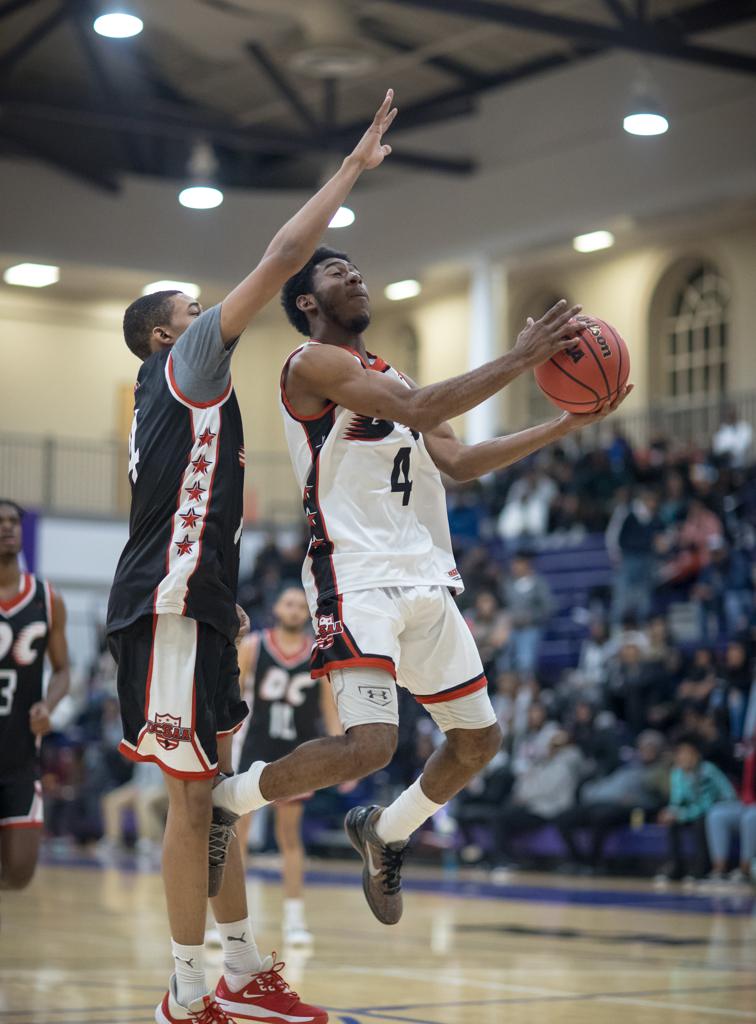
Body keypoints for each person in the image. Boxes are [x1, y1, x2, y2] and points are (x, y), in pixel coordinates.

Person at [210, 247, 631, 929]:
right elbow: (414, 405)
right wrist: (521, 358)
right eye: (335, 271)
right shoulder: (308, 365)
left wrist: (564, 424)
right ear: (308, 304)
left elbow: (459, 461)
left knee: (478, 743)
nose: (354, 274)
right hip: (357, 574)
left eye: (356, 267)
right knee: (370, 745)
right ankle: (229, 801)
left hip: (426, 574)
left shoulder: (395, 375)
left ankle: (388, 831)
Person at [105, 92, 399, 1024]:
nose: (211, 313)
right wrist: (348, 172)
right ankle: (188, 992)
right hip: (167, 610)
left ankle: (242, 968)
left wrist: (219, 593)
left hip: (196, 604)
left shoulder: (177, 402)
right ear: (168, 334)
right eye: (194, 310)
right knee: (194, 806)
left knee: (217, 804)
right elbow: (278, 260)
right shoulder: (185, 363)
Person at [234, 586, 342, 947]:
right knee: (239, 837)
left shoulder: (317, 653)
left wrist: (345, 758)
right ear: (277, 607)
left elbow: (329, 712)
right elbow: (230, 696)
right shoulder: (253, 646)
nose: (295, 609)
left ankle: (295, 918)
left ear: (308, 612)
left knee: (289, 838)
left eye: (300, 605)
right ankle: (231, 921)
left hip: (297, 755)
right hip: (254, 749)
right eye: (288, 603)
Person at [0, 499, 70, 889]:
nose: (8, 527)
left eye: (13, 521)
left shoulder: (47, 598)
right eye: (0, 522)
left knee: (20, 872)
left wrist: (50, 703)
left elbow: (63, 671)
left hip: (20, 755)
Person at [556, 730, 668, 871]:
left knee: (601, 817)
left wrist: (637, 801)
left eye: (650, 748)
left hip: (630, 809)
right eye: (643, 747)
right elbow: (605, 786)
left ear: (658, 750)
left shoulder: (660, 771)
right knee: (563, 818)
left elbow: (660, 798)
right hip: (600, 803)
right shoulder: (628, 768)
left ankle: (594, 863)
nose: (646, 751)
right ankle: (577, 860)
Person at [656, 734, 736, 883]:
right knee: (672, 824)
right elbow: (676, 800)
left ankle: (700, 869)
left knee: (700, 822)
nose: (682, 757)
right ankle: (676, 867)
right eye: (680, 753)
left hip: (719, 809)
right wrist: (670, 812)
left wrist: (680, 815)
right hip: (693, 811)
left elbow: (705, 805)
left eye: (687, 753)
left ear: (696, 754)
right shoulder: (677, 773)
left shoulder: (707, 772)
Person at [502, 553, 553, 677]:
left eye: (519, 564)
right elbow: (503, 606)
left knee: (526, 661)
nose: (515, 567)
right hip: (511, 628)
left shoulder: (538, 583)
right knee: (503, 661)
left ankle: (526, 690)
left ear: (527, 564)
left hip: (531, 627)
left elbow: (548, 607)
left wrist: (531, 618)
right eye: (514, 564)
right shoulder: (507, 584)